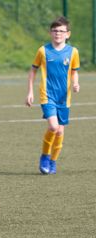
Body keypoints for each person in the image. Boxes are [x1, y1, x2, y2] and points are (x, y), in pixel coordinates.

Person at [26, 16, 80, 175]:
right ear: (50, 32)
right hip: (47, 95)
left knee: (60, 132)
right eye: (55, 31)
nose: (58, 34)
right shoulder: (43, 50)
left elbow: (74, 72)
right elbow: (33, 70)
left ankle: (53, 161)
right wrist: (30, 91)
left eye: (61, 31)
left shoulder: (73, 52)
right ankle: (45, 156)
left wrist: (76, 83)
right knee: (53, 127)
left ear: (68, 34)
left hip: (64, 97)